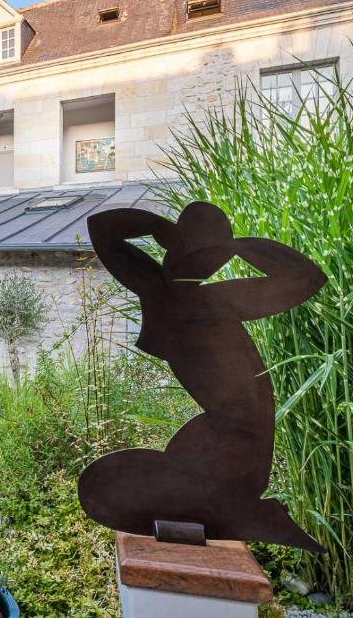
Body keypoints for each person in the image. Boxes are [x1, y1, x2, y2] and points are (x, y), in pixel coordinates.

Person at [77, 202, 326, 551]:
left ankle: (245, 514)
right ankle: (242, 513)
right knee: (189, 484)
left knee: (210, 486)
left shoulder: (209, 297)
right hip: (233, 431)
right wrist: (166, 229)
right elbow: (101, 228)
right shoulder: (167, 291)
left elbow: (308, 280)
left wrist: (231, 245)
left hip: (240, 433)